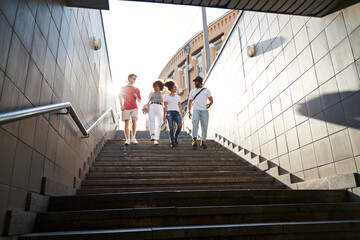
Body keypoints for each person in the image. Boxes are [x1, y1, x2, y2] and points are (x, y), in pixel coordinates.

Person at [188, 76, 213, 149]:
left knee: (204, 126)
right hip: (196, 110)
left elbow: (211, 100)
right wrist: (189, 111)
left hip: (204, 111)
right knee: (195, 124)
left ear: (200, 82)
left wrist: (209, 104)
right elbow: (189, 102)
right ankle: (194, 140)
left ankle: (203, 142)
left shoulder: (206, 91)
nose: (195, 83)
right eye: (195, 82)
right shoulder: (192, 91)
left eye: (197, 82)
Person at [119, 73, 141, 145]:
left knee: (134, 120)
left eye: (135, 79)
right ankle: (127, 139)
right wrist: (121, 105)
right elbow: (120, 97)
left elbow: (139, 100)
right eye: (133, 78)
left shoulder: (136, 89)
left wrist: (136, 97)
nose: (134, 80)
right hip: (126, 107)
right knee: (127, 122)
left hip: (134, 107)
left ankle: (133, 137)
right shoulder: (123, 88)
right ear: (129, 78)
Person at [164, 80, 184, 148]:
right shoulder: (166, 97)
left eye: (176, 87)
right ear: (171, 88)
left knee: (180, 125)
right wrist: (164, 115)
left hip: (176, 113)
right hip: (169, 113)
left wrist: (181, 114)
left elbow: (179, 106)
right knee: (171, 127)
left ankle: (176, 135)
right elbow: (165, 106)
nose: (176, 88)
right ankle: (172, 141)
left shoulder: (177, 97)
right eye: (174, 87)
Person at [147, 79, 165, 145]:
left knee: (159, 122)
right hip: (152, 106)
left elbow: (163, 101)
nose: (156, 87)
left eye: (158, 86)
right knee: (152, 120)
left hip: (159, 106)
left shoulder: (162, 93)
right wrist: (146, 107)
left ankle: (156, 138)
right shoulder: (151, 93)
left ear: (160, 87)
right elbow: (148, 101)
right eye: (155, 86)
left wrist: (162, 100)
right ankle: (152, 135)